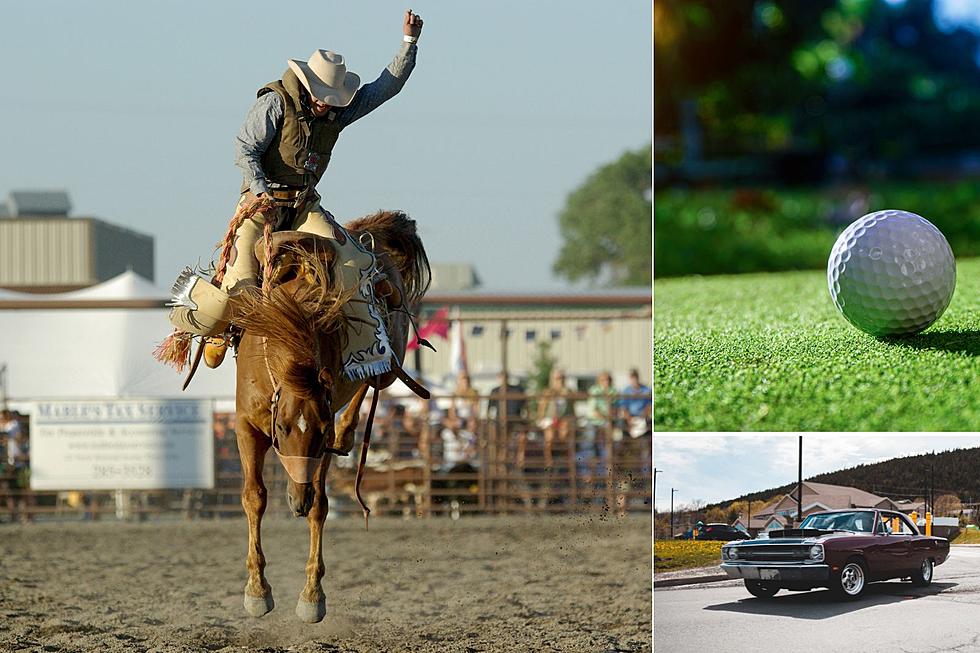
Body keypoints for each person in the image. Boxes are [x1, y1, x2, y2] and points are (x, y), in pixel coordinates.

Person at [187, 9, 424, 366]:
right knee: (240, 280)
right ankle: (221, 330)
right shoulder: (274, 103)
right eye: (320, 94)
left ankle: (359, 347)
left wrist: (409, 42)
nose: (324, 102)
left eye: (331, 97)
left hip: (303, 207)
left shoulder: (338, 112)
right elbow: (244, 148)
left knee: (356, 261)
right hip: (259, 206)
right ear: (307, 82)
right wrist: (260, 188)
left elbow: (385, 87)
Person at [578, 371, 617, 493]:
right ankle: (591, 471)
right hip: (596, 421)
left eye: (608, 380)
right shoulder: (595, 391)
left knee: (608, 448)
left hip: (606, 423)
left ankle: (604, 472)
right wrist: (607, 418)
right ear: (599, 381)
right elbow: (593, 411)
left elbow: (615, 408)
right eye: (604, 380)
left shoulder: (613, 391)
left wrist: (609, 419)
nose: (606, 382)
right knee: (590, 444)